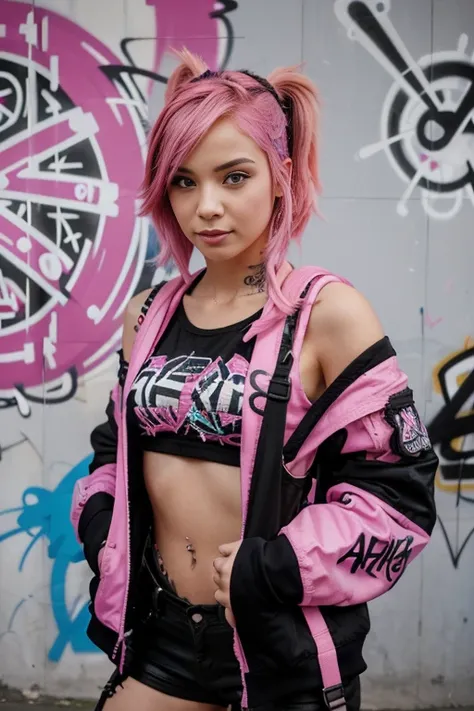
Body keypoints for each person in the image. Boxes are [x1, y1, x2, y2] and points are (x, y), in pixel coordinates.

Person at [71, 49, 438, 711]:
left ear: (280, 176)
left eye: (233, 176)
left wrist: (271, 569)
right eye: (183, 181)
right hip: (163, 637)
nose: (205, 206)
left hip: (278, 648)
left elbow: (399, 498)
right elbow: (113, 450)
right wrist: (103, 530)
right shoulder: (147, 316)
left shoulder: (325, 314)